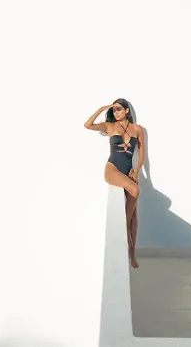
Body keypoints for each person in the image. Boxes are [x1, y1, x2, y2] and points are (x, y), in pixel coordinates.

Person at [84, 99, 145, 268]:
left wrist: (136, 171)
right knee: (135, 190)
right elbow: (87, 125)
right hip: (112, 169)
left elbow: (142, 155)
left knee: (135, 216)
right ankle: (123, 230)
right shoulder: (109, 126)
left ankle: (132, 255)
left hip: (128, 171)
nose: (116, 113)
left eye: (119, 109)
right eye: (114, 110)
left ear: (127, 110)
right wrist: (102, 108)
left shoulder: (138, 129)